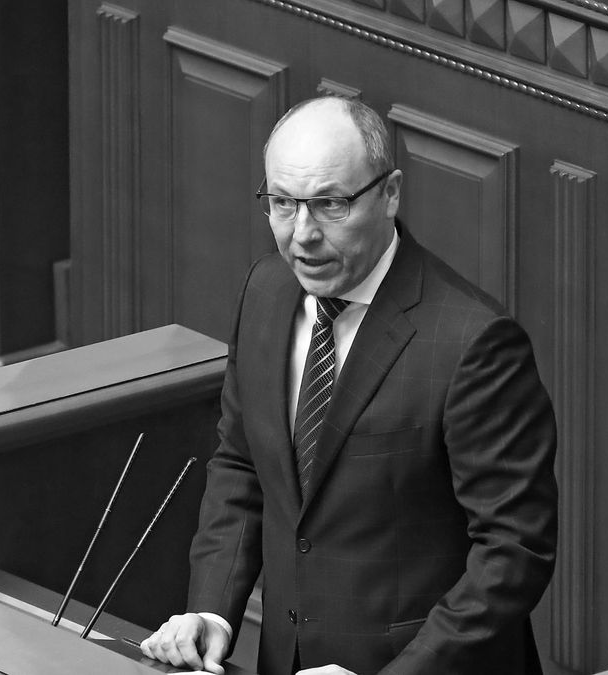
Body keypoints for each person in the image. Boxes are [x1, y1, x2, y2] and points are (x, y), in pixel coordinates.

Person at [140, 96, 558, 675]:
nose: (302, 235)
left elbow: (514, 551)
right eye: (283, 203)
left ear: (389, 193)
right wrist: (212, 612)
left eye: (331, 204)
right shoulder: (265, 291)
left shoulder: (473, 342)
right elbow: (241, 464)